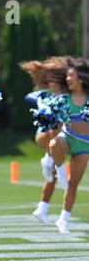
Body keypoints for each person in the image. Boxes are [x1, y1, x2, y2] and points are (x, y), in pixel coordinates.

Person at [20, 57, 70, 223]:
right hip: (46, 135)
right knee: (57, 119)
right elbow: (29, 97)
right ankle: (50, 159)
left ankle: (42, 208)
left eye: (55, 77)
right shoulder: (45, 94)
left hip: (65, 139)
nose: (51, 81)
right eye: (50, 77)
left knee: (52, 174)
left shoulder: (71, 93)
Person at [49, 58, 89, 234]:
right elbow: (54, 127)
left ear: (80, 77)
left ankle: (63, 219)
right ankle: (59, 169)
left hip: (84, 144)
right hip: (67, 138)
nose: (68, 79)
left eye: (71, 75)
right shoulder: (64, 100)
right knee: (54, 142)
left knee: (73, 185)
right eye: (67, 76)